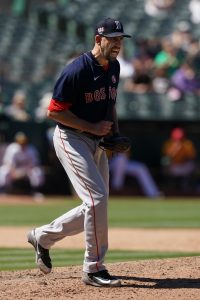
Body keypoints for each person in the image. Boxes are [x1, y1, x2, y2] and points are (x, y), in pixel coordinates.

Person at [27, 18, 131, 287]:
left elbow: (111, 103)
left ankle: (43, 237)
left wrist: (113, 132)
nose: (118, 44)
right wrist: (92, 126)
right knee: (97, 200)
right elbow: (53, 111)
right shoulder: (77, 69)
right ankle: (93, 267)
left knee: (97, 205)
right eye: (113, 38)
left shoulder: (114, 67)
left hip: (96, 141)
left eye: (120, 39)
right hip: (71, 138)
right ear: (98, 40)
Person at [0, 131, 45, 196]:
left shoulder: (31, 149)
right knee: (3, 171)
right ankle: (3, 190)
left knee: (37, 171)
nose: (22, 143)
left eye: (23, 141)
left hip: (27, 170)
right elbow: (8, 163)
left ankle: (36, 191)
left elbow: (34, 163)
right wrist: (14, 172)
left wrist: (26, 172)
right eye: (20, 141)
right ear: (16, 141)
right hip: (14, 170)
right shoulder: (12, 148)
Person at [161, 127, 197, 191]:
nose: (177, 139)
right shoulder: (169, 143)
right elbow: (166, 158)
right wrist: (174, 149)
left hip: (184, 165)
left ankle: (186, 187)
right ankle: (169, 188)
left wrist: (182, 148)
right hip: (173, 166)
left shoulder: (187, 143)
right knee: (165, 162)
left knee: (191, 164)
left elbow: (192, 157)